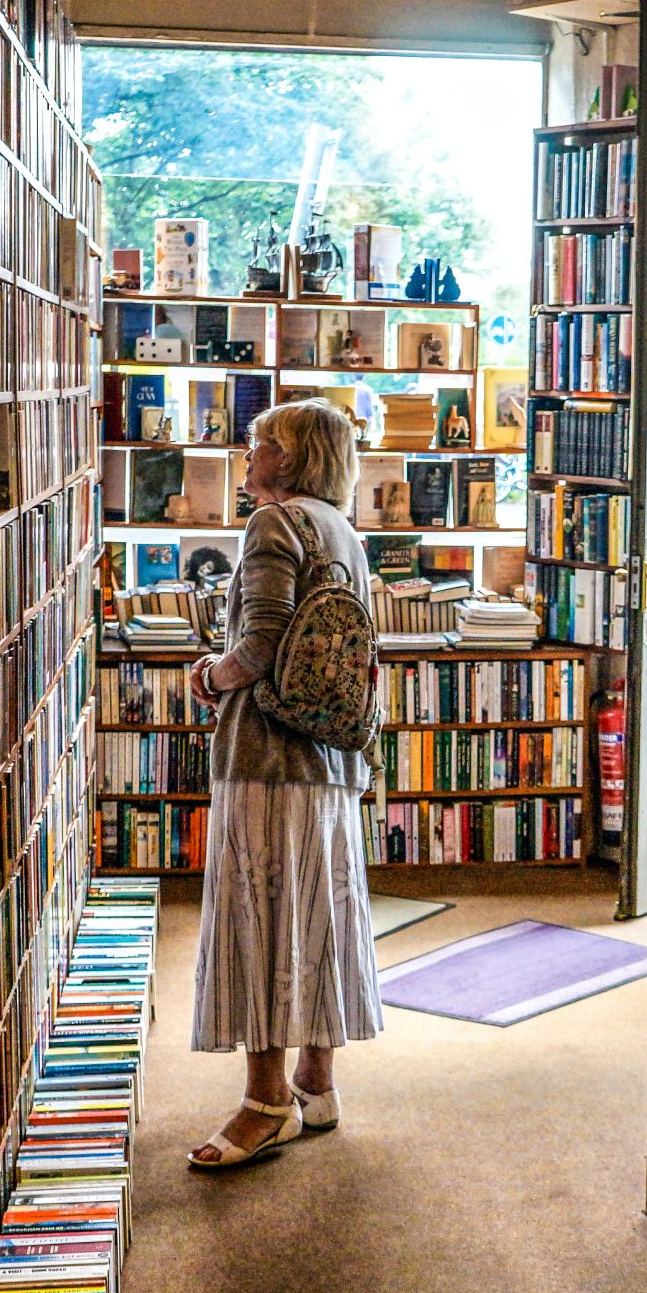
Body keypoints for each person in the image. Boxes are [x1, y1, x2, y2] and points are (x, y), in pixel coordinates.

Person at [183, 398, 383, 1168]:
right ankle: (317, 1082)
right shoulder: (343, 531)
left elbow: (259, 646)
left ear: (290, 457)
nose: (247, 449)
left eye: (259, 440)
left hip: (267, 758)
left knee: (257, 919)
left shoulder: (272, 525)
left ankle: (267, 1102)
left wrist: (208, 674)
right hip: (330, 756)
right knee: (318, 915)